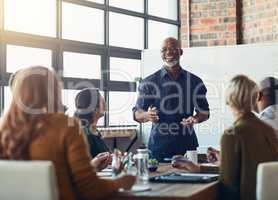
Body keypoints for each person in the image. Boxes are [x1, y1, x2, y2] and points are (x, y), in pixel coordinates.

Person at [0, 66, 135, 200]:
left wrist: (92, 167)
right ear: (53, 92)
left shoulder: (4, 130)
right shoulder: (66, 127)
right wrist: (122, 182)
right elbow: (90, 189)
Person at [173, 75, 278, 200]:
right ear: (255, 98)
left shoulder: (232, 134)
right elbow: (249, 167)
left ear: (229, 100)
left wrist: (199, 169)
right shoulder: (268, 129)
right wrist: (204, 166)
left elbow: (228, 184)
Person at [133, 37, 210, 162]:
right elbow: (136, 113)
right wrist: (147, 115)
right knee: (159, 181)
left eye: (173, 49)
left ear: (181, 52)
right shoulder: (149, 82)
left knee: (191, 180)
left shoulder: (195, 82)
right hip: (159, 147)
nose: (168, 53)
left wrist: (195, 119)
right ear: (160, 53)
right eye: (164, 50)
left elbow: (205, 112)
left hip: (187, 146)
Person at [74, 88, 111, 171]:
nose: (105, 105)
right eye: (103, 102)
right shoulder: (82, 133)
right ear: (94, 109)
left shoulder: (94, 131)